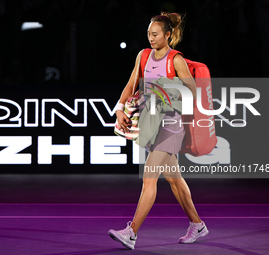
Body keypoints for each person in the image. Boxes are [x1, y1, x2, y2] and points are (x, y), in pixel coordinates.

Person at [108, 12, 209, 250]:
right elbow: (132, 83)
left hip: (172, 125)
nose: (151, 38)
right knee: (174, 180)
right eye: (148, 34)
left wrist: (165, 95)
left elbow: (192, 93)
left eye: (155, 34)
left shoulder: (176, 60)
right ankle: (198, 224)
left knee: (149, 179)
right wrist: (120, 108)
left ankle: (131, 232)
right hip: (152, 125)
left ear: (168, 34)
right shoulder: (143, 56)